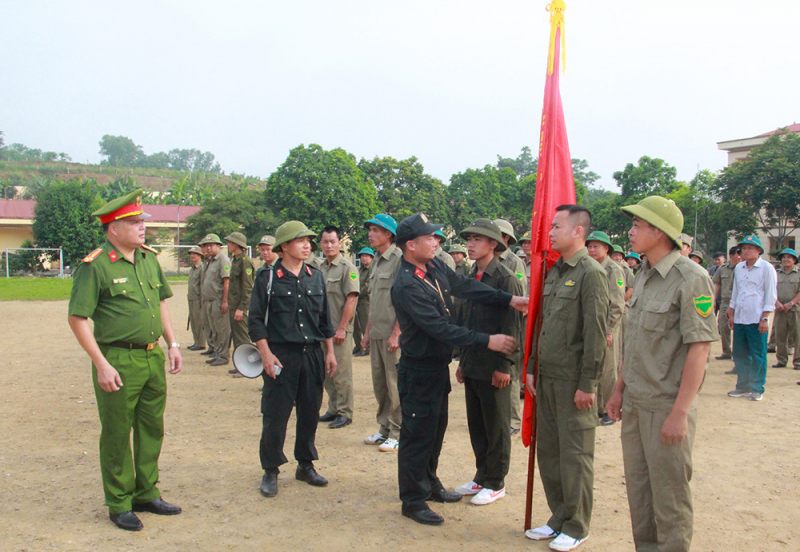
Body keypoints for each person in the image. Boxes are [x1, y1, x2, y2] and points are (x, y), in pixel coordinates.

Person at [390, 213, 528, 525]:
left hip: (437, 366)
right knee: (417, 435)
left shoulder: (434, 265)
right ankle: (412, 499)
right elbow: (440, 329)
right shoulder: (407, 284)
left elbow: (463, 286)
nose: (436, 241)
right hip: (419, 369)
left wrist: (508, 299)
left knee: (435, 430)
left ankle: (430, 483)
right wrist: (487, 341)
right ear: (411, 245)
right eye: (429, 237)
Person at [606, 195, 718, 552]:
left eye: (638, 225)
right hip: (637, 404)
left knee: (669, 497)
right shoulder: (644, 275)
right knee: (640, 494)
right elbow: (636, 341)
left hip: (666, 407)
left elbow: (699, 348)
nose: (631, 231)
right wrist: (619, 389)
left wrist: (680, 413)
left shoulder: (692, 278)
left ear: (659, 231)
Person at [67, 188, 183, 531]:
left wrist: (173, 343)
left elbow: (161, 303)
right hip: (117, 358)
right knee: (117, 431)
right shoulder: (96, 266)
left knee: (151, 428)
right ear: (113, 228)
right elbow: (78, 318)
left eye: (142, 221)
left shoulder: (148, 259)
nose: (142, 227)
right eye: (134, 222)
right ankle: (119, 502)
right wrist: (101, 363)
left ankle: (146, 492)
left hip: (152, 356)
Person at [525, 205, 608, 552]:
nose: (551, 232)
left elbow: (596, 333)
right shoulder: (554, 270)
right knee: (551, 452)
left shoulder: (591, 273)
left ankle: (577, 524)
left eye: (557, 226)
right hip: (547, 376)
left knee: (575, 455)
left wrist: (588, 384)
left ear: (578, 231)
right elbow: (542, 322)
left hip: (573, 381)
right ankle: (558, 517)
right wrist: (531, 365)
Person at [247, 221, 337, 498]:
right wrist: (265, 354)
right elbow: (255, 321)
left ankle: (305, 464)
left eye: (309, 240)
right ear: (284, 246)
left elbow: (324, 319)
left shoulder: (315, 276)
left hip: (311, 354)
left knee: (310, 412)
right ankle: (271, 469)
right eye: (301, 241)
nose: (308, 245)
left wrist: (330, 351)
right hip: (281, 355)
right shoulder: (267, 277)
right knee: (276, 414)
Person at [454, 219, 523, 506]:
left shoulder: (505, 278)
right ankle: (481, 475)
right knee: (477, 423)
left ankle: (496, 482)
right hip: (473, 361)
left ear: (493, 244)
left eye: (477, 239)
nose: (470, 244)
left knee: (496, 425)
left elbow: (513, 325)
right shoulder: (472, 274)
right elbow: (468, 320)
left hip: (494, 364)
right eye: (469, 239)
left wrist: (504, 365)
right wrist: (462, 359)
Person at [361, 214, 403, 452]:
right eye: (370, 229)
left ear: (389, 234)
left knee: (394, 383)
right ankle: (384, 428)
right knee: (380, 384)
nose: (370, 234)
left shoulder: (398, 259)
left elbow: (403, 301)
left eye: (376, 230)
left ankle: (398, 431)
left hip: (392, 335)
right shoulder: (376, 260)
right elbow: (375, 301)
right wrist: (366, 333)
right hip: (376, 332)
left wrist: (397, 333)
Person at [318, 226, 360, 429]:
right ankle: (333, 408)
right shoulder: (320, 268)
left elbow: (351, 299)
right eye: (325, 241)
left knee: (341, 373)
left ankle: (345, 412)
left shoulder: (347, 268)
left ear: (339, 243)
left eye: (332, 241)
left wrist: (343, 327)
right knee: (327, 372)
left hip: (339, 329)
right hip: (323, 331)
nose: (329, 245)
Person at [727, 235, 777, 402]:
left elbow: (770, 295)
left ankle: (757, 388)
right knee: (740, 353)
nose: (746, 251)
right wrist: (731, 312)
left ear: (759, 251)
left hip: (756, 318)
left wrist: (765, 318)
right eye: (744, 248)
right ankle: (742, 386)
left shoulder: (767, 268)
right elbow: (736, 291)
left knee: (758, 354)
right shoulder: (740, 268)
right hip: (741, 317)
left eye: (750, 248)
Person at [585, 231, 626, 427]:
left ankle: (610, 409)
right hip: (593, 325)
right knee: (595, 366)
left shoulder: (614, 270)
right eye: (589, 246)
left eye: (596, 246)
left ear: (606, 249)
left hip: (609, 326)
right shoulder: (589, 267)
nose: (592, 250)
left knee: (609, 369)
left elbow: (617, 304)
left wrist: (609, 329)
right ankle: (599, 408)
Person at [492, 219, 528, 434]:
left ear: (506, 239)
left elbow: (519, 297)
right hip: (493, 325)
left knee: (510, 371)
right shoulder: (488, 261)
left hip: (512, 322)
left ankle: (514, 419)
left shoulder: (515, 262)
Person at [199, 233, 231, 367]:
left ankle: (223, 356)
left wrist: (225, 301)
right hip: (209, 300)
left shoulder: (223, 260)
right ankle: (218, 353)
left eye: (211, 245)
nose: (208, 248)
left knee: (221, 329)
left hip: (218, 300)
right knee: (214, 329)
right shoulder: (210, 261)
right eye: (206, 246)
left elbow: (226, 282)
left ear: (218, 246)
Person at [225, 232, 255, 376]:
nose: (228, 245)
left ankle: (247, 367)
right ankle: (240, 365)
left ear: (237, 244)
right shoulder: (235, 260)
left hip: (239, 307)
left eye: (230, 242)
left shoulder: (245, 262)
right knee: (237, 337)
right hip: (233, 305)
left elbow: (248, 287)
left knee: (243, 337)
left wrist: (241, 308)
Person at [772, 248, 800, 369]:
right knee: (780, 335)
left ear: (794, 260)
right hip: (780, 309)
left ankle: (798, 361)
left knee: (797, 336)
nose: (786, 259)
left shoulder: (799, 273)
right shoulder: (775, 273)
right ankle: (782, 360)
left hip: (795, 309)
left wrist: (791, 303)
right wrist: (777, 303)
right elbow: (771, 290)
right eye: (783, 257)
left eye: (789, 257)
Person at [712, 246, 741, 363]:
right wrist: (713, 299)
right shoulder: (722, 269)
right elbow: (717, 284)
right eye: (738, 254)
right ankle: (726, 351)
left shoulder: (744, 268)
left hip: (739, 303)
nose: (740, 257)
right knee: (723, 327)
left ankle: (738, 353)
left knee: (739, 329)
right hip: (725, 302)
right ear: (731, 256)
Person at [352, 247, 374, 357]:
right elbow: (354, 281)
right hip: (356, 300)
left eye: (366, 256)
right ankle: (358, 345)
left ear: (371, 257)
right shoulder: (359, 270)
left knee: (365, 324)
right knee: (354, 324)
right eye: (362, 256)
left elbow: (368, 286)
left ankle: (366, 348)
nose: (364, 258)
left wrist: (356, 294)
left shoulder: (372, 269)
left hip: (365, 300)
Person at [186, 245, 206, 351]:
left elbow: (202, 285)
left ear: (200, 255)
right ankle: (196, 341)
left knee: (199, 322)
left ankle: (201, 343)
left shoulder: (201, 268)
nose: (192, 256)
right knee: (193, 321)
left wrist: (202, 299)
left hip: (198, 299)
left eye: (195, 254)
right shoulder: (193, 268)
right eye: (191, 254)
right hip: (192, 298)